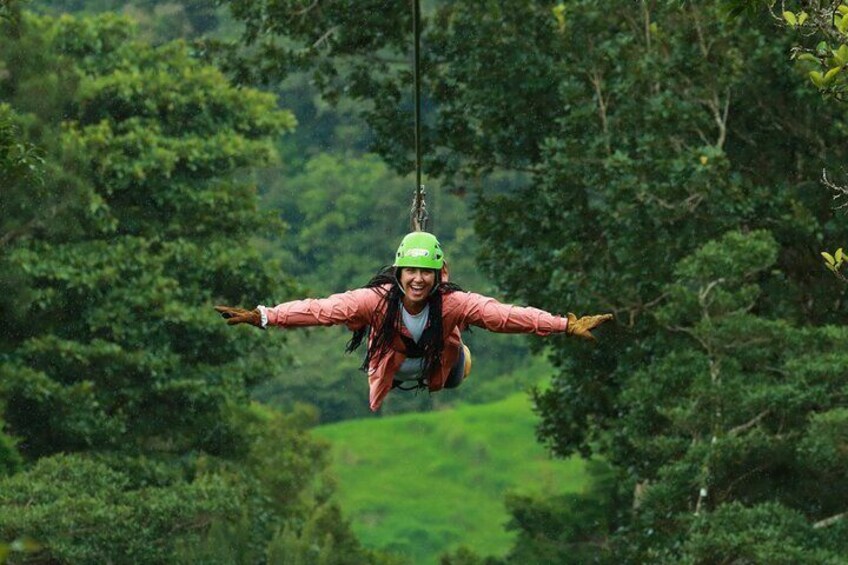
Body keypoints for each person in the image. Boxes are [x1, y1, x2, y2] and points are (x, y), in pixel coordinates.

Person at [215, 231, 613, 412]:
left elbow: (505, 316)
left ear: (439, 274)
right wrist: (265, 316)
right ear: (398, 272)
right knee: (366, 335)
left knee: (461, 365)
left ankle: (456, 360)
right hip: (390, 362)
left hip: (440, 365)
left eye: (426, 273)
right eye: (410, 272)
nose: (418, 280)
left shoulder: (453, 303)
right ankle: (386, 350)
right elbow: (322, 309)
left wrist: (563, 325)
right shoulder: (375, 300)